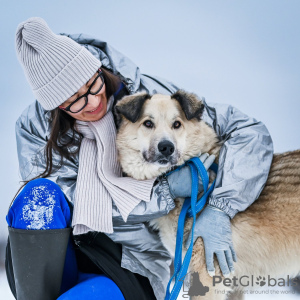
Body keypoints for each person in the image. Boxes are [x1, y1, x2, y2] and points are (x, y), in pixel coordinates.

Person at [5, 17, 273, 300]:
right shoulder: (35, 128)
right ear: (57, 106)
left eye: (93, 84)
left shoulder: (147, 96)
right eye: (75, 100)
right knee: (37, 196)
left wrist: (222, 207)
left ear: (98, 69)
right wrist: (163, 192)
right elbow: (77, 201)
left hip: (132, 260)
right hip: (59, 254)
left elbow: (249, 130)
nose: (94, 102)